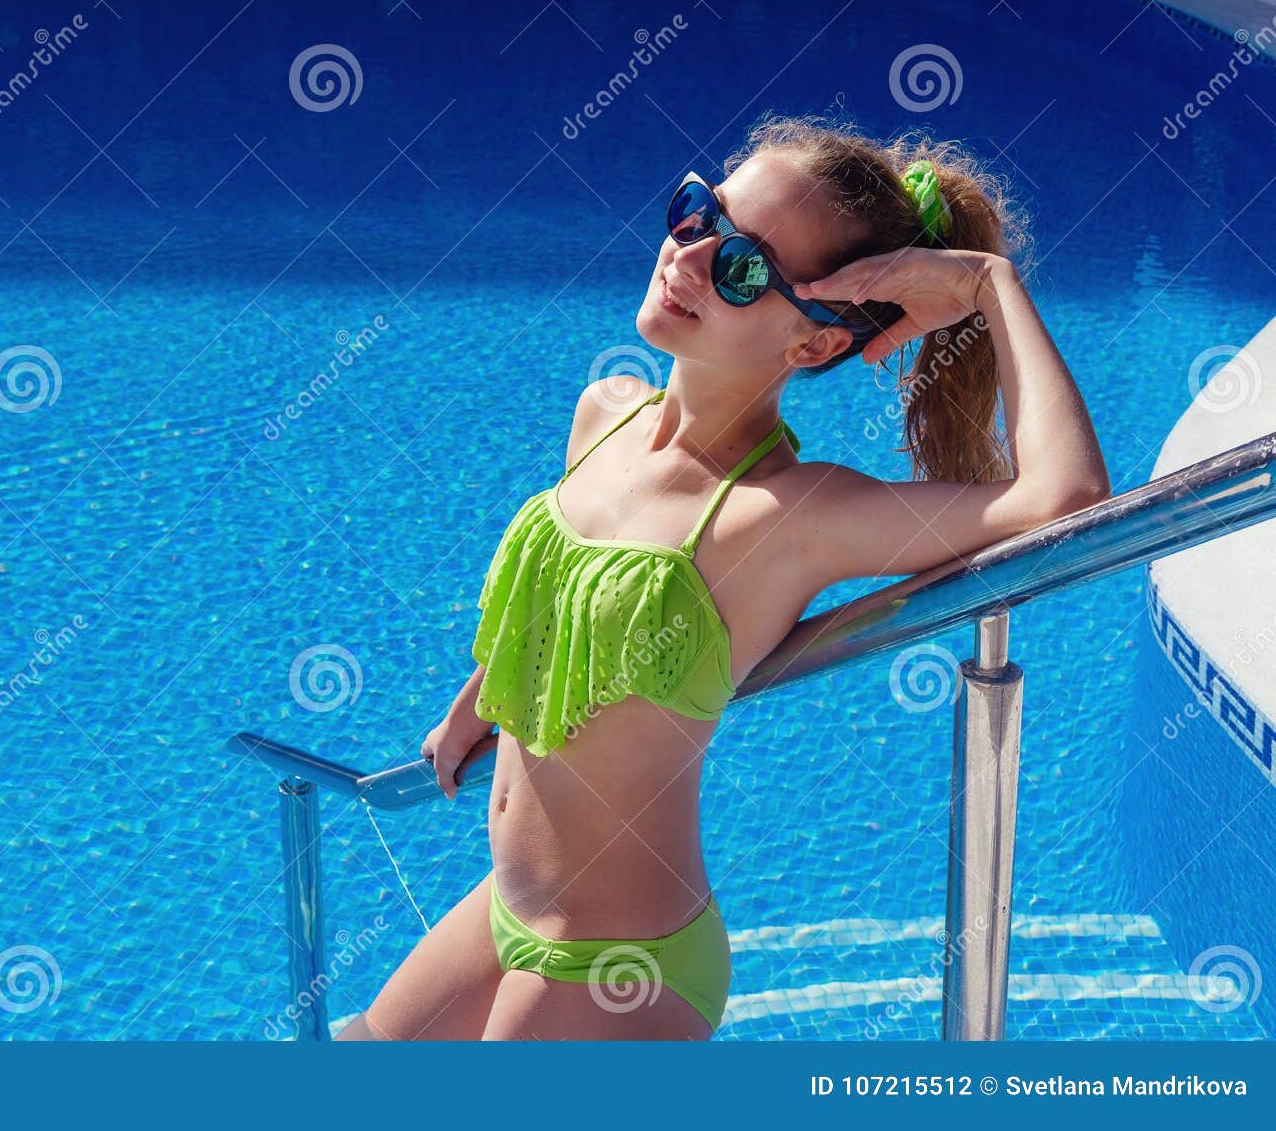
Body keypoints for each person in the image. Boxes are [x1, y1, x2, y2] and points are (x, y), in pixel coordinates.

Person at [336, 112, 1109, 1041]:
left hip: (621, 961)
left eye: (743, 267)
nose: (690, 256)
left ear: (816, 343)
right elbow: (574, 611)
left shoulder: (786, 516)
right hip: (503, 906)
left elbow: (1066, 495)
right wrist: (486, 697)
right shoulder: (606, 415)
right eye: (700, 214)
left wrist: (990, 284)